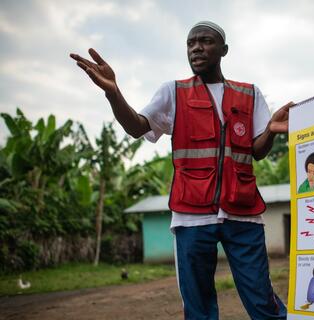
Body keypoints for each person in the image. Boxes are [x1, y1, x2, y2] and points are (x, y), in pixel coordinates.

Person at [70, 21, 291, 320]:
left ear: (224, 50)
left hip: (244, 212)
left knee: (263, 301)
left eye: (206, 41)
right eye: (191, 43)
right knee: (197, 307)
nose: (196, 47)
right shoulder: (173, 93)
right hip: (192, 215)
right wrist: (113, 92)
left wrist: (272, 131)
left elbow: (257, 150)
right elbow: (137, 127)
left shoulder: (249, 94)